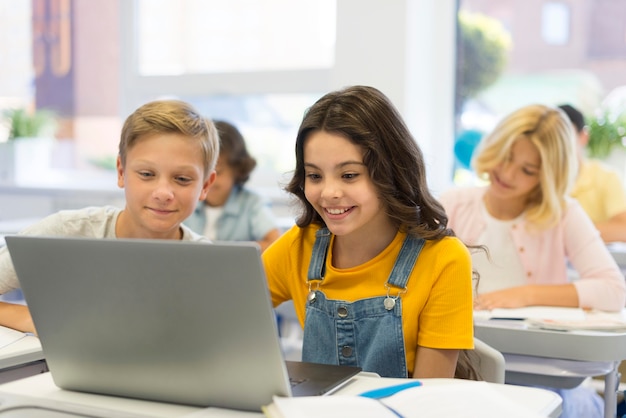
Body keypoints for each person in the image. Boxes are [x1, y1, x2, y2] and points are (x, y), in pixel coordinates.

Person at [262, 85, 475, 379]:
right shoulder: (298, 246)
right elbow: (224, 311)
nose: (329, 192)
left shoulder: (444, 259)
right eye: (314, 176)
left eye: (349, 175)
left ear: (389, 171)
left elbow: (430, 401)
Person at [440, 104, 626, 418]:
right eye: (506, 156)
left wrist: (523, 295)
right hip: (467, 369)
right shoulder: (453, 203)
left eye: (527, 170)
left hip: (545, 378)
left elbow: (612, 289)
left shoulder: (564, 213)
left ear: (549, 176)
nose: (508, 174)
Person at [0, 99, 219, 334]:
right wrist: (32, 319)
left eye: (182, 179)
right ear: (121, 172)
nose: (163, 193)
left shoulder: (210, 265)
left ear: (205, 186)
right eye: (146, 174)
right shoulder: (65, 232)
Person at [185, 120, 281, 252]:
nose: (208, 180)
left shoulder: (252, 203)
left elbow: (275, 243)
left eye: (217, 172)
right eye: (203, 172)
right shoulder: (187, 199)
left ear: (237, 170)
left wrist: (229, 251)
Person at [559, 103, 626, 243]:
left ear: (583, 137)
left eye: (564, 136)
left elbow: (622, 229)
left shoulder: (606, 177)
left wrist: (567, 232)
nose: (558, 145)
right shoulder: (536, 178)